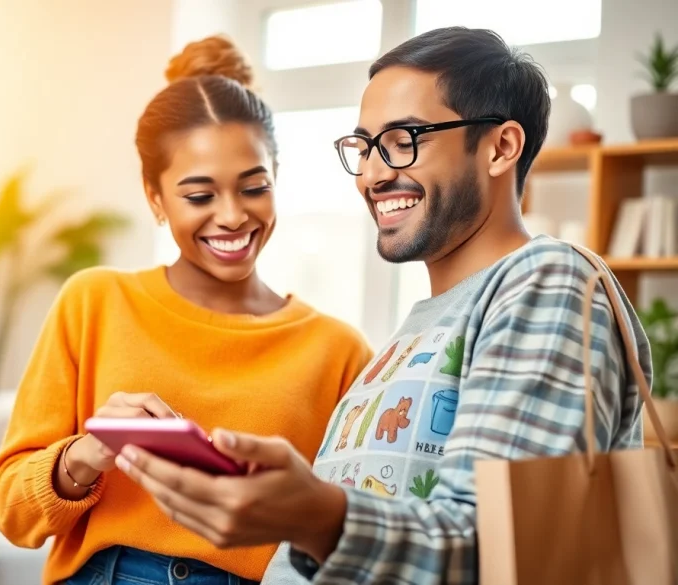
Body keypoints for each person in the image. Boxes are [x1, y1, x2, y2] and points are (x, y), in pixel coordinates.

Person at [114, 27, 651, 584]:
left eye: (403, 140)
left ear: (501, 147)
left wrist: (318, 514)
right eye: (365, 147)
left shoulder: (548, 281)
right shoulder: (412, 335)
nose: (372, 174)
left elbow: (503, 546)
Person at [0, 35, 372, 585]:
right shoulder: (94, 301)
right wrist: (86, 454)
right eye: (199, 196)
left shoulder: (339, 351)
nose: (233, 216)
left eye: (254, 187)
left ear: (276, 178)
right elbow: (13, 513)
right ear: (155, 198)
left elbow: (349, 537)